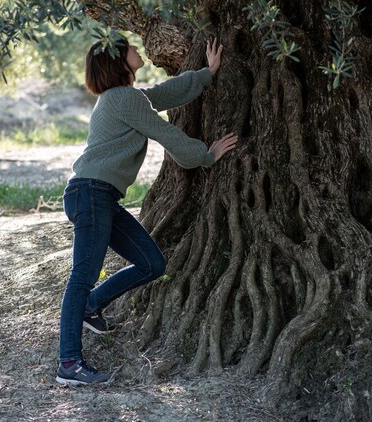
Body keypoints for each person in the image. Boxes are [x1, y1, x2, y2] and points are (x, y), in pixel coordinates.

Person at [56, 33, 238, 386]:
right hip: (91, 194)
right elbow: (165, 133)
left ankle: (90, 307)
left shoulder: (126, 98)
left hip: (99, 196)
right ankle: (69, 363)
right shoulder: (123, 99)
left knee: (152, 263)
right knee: (81, 275)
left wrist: (206, 74)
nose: (138, 49)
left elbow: (163, 95)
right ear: (119, 60)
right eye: (131, 48)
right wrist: (205, 156)